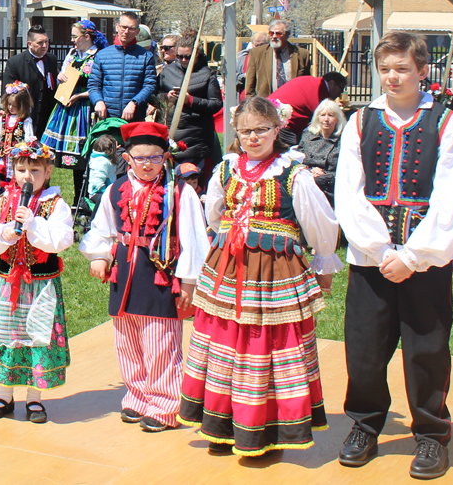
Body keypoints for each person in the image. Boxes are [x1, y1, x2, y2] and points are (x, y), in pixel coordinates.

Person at [178, 96, 342, 456]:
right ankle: (221, 424)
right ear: (236, 131)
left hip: (274, 271)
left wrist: (324, 259)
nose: (253, 137)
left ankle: (266, 427)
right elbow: (214, 212)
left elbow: (318, 220)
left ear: (277, 128)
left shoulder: (293, 173)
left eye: (261, 130)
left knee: (266, 344)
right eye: (246, 130)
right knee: (224, 340)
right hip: (230, 267)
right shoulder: (226, 168)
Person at [334, 32, 453, 480]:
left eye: (402, 68)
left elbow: (452, 197)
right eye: (385, 68)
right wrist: (378, 249)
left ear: (422, 70)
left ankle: (430, 433)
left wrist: (413, 255)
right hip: (371, 260)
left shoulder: (445, 123)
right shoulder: (360, 121)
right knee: (365, 348)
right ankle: (365, 425)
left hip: (425, 260)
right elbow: (348, 194)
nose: (392, 77)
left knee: (426, 347)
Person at [79, 122, 210, 433]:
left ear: (165, 157)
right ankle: (137, 395)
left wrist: (190, 279)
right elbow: (102, 228)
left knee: (161, 343)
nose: (148, 164)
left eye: (155, 157)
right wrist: (99, 255)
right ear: (128, 158)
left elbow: (194, 236)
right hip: (124, 274)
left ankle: (164, 403)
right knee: (127, 341)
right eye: (140, 158)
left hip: (160, 276)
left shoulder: (180, 192)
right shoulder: (116, 190)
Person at [0, 140, 73, 424]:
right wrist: (5, 234)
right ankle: (4, 394)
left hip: (40, 287)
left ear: (48, 172)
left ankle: (34, 398)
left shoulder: (56, 205)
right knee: (6, 336)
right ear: (13, 170)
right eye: (21, 169)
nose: (27, 176)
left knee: (37, 338)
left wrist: (34, 224)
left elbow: (62, 239)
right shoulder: (1, 203)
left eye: (34, 169)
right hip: (8, 284)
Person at [41, 20, 108, 207]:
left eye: (75, 36)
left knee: (81, 158)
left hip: (84, 109)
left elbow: (100, 86)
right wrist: (61, 76)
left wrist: (79, 96)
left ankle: (82, 201)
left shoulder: (98, 56)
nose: (72, 40)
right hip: (65, 108)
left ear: (87, 37)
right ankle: (45, 197)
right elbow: (65, 76)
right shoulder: (71, 55)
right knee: (49, 156)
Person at [159, 34, 222, 165]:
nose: (183, 60)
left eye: (187, 57)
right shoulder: (167, 72)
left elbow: (216, 104)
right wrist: (167, 97)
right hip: (171, 133)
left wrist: (191, 100)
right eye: (179, 56)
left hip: (196, 138)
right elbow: (155, 95)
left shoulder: (207, 74)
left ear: (196, 54)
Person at [88, 11, 157, 122]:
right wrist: (98, 101)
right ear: (117, 27)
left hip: (135, 117)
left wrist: (134, 102)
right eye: (123, 27)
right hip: (107, 118)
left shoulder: (146, 56)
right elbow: (93, 85)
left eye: (132, 28)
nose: (126, 32)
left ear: (137, 31)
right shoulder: (102, 55)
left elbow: (150, 86)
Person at [3, 25, 57, 138]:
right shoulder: (15, 62)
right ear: (29, 44)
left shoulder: (51, 59)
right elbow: (8, 93)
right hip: (26, 118)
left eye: (47, 42)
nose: (45, 46)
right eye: (40, 43)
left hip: (48, 118)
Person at [269, 72, 347, 144]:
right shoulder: (320, 92)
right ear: (332, 84)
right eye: (340, 90)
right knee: (291, 152)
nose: (339, 95)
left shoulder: (310, 81)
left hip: (272, 115)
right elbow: (320, 119)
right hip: (283, 123)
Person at [297, 98, 346, 207]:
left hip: (331, 190)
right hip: (308, 186)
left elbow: (347, 170)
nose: (326, 119)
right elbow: (297, 161)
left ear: (338, 119)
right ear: (317, 117)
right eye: (323, 115)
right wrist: (311, 171)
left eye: (331, 115)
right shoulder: (308, 136)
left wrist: (325, 175)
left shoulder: (344, 139)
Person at [245, 19, 311, 98]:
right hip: (266, 104)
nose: (274, 36)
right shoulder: (257, 53)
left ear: (287, 35)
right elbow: (250, 86)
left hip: (292, 103)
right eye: (271, 33)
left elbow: (306, 84)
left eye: (278, 33)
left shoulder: (301, 54)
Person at [0, 81, 34, 180]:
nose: (10, 107)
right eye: (9, 104)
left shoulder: (25, 121)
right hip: (2, 157)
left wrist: (19, 148)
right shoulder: (3, 118)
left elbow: (29, 140)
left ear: (22, 106)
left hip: (16, 158)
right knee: (0, 178)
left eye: (14, 105)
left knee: (15, 179)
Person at [87, 134, 117, 215]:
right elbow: (98, 181)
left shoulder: (100, 159)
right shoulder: (102, 162)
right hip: (98, 193)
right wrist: (106, 193)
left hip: (106, 190)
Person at [236, 31, 269, 99]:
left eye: (262, 45)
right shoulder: (243, 57)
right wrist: (244, 76)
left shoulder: (271, 59)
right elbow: (233, 76)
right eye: (256, 45)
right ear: (252, 44)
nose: (258, 48)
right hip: (244, 97)